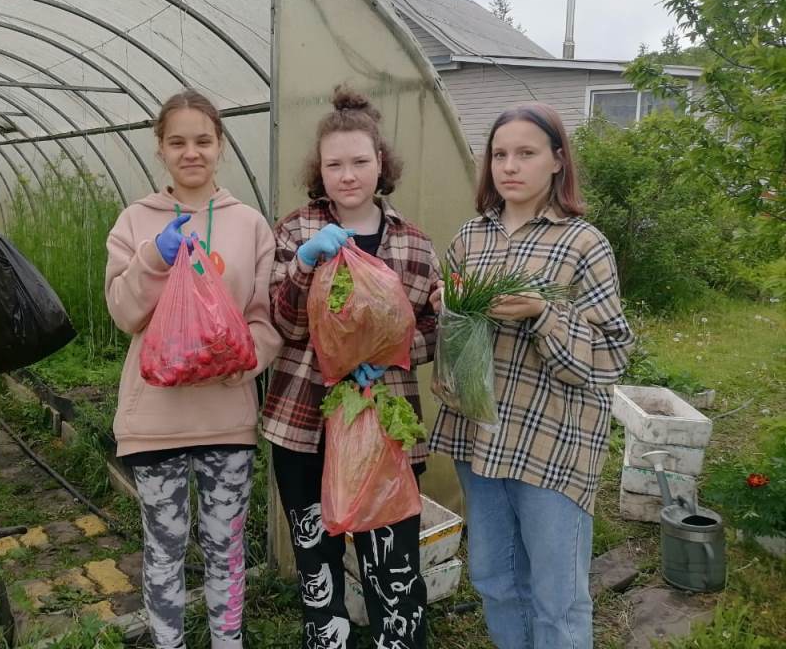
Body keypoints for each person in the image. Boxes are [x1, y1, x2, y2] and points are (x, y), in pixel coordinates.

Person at [429, 102, 635, 649]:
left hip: (551, 442)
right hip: (480, 438)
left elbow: (612, 356)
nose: (509, 166)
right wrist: (447, 312)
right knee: (494, 581)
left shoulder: (583, 244)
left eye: (526, 153)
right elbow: (456, 342)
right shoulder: (471, 238)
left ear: (557, 161)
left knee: (556, 597)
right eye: (499, 154)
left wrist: (542, 314)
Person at [263, 86, 440, 649]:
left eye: (359, 162)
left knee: (392, 558)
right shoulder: (296, 231)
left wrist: (389, 355)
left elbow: (433, 328)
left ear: (380, 162)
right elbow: (284, 324)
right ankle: (328, 638)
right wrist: (304, 265)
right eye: (334, 164)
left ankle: (397, 638)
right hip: (304, 423)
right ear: (319, 169)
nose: (347, 176)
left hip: (383, 425)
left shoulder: (413, 245)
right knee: (316, 558)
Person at [104, 89, 282, 649]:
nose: (191, 152)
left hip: (226, 417)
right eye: (177, 142)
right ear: (160, 148)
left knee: (226, 549)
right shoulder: (135, 222)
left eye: (203, 140)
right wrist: (155, 256)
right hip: (155, 423)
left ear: (220, 145)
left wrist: (245, 360)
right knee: (164, 550)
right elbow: (124, 313)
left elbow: (266, 319)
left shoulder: (248, 225)